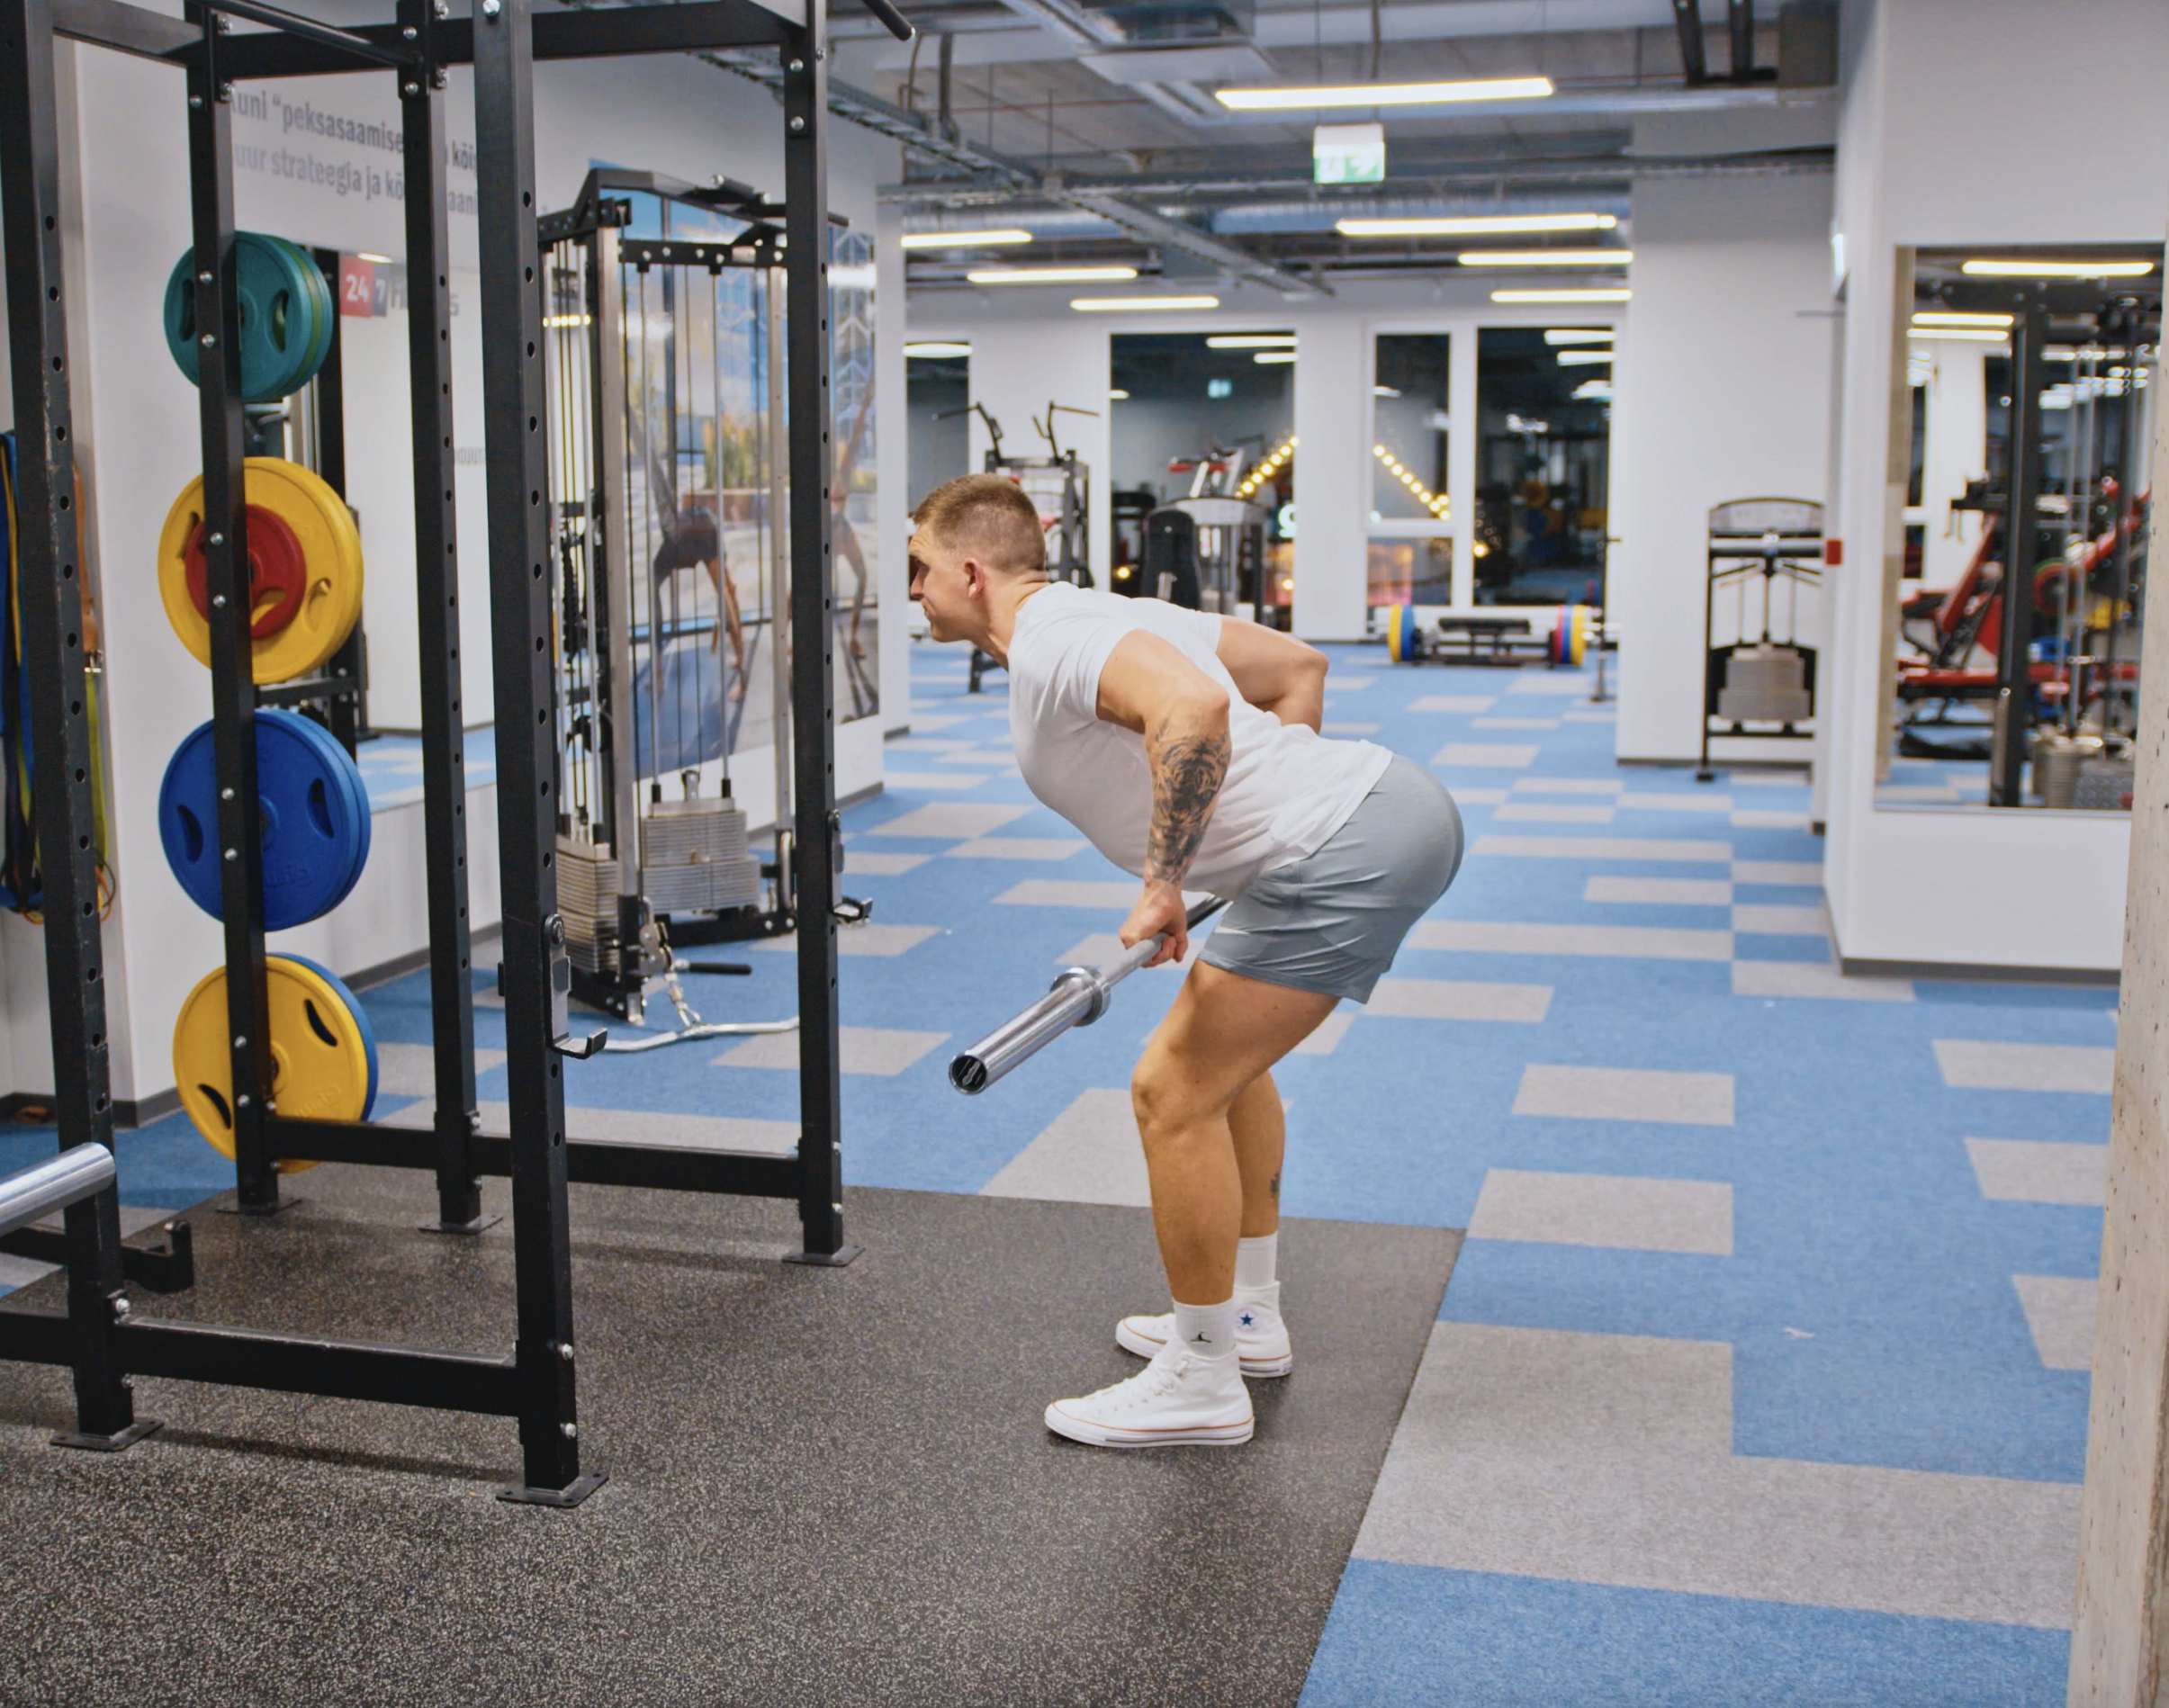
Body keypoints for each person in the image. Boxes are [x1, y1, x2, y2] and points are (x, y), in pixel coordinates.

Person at [908, 472, 1464, 1450]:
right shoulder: (1103, 613)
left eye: (919, 568)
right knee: (1223, 1074)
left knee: (1171, 1091)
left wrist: (1168, 879)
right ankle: (1244, 1318)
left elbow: (1195, 706)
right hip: (1380, 811)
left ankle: (1202, 1378)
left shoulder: (1052, 635)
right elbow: (1296, 666)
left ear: (971, 571)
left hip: (1350, 842)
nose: (913, 589)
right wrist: (1257, 839)